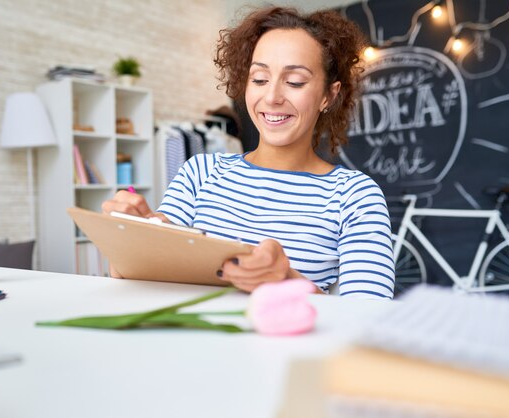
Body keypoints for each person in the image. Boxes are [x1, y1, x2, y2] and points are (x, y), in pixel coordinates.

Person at [102, 7, 395, 299]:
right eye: (259, 79)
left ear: (328, 96)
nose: (272, 97)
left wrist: (287, 280)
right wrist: (130, 235)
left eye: (295, 82)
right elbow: (133, 276)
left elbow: (368, 319)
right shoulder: (201, 172)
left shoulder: (354, 195)